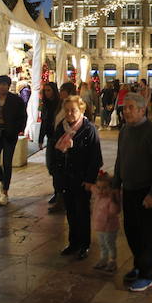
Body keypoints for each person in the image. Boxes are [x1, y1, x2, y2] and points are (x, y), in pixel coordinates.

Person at [112, 92, 152, 292]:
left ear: (142, 110)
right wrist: (115, 185)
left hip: (146, 191)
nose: (125, 111)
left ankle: (148, 273)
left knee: (148, 234)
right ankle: (139, 265)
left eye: (130, 108)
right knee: (132, 230)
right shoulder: (125, 130)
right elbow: (120, 159)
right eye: (124, 107)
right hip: (129, 189)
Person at [54, 95, 103, 259]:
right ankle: (73, 242)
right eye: (66, 110)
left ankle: (84, 244)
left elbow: (95, 158)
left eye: (73, 110)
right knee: (70, 212)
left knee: (82, 212)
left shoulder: (88, 129)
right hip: (66, 177)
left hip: (82, 178)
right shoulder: (61, 128)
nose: (69, 114)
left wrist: (90, 180)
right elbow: (55, 153)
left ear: (81, 109)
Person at [0, 75, 28, 207]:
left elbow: (22, 116)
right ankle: (3, 182)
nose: (2, 86)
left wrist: (18, 129)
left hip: (9, 135)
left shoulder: (16, 100)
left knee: (7, 163)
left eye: (4, 84)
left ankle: (5, 192)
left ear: (8, 85)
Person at [37, 82, 62, 207]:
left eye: (49, 90)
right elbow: (43, 122)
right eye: (45, 90)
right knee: (51, 165)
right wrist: (40, 138)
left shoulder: (59, 104)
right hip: (50, 137)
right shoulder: (45, 105)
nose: (47, 93)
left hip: (59, 138)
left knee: (56, 166)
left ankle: (58, 192)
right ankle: (57, 190)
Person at [91, 171, 121, 272]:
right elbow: (93, 188)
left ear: (111, 189)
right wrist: (90, 184)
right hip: (99, 226)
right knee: (102, 244)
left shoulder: (110, 199)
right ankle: (103, 259)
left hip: (109, 228)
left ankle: (112, 261)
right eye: (99, 188)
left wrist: (114, 199)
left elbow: (114, 211)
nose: (101, 190)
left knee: (110, 244)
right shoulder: (98, 195)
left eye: (104, 188)